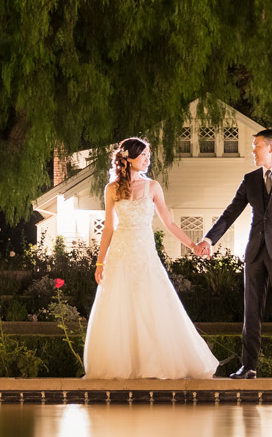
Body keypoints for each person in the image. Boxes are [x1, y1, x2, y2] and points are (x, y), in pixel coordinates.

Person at [83, 137, 221, 379]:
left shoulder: (153, 187)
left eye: (149, 155)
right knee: (119, 306)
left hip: (145, 253)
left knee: (152, 303)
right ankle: (121, 365)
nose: (148, 159)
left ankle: (154, 364)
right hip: (120, 253)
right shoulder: (112, 189)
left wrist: (192, 245)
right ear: (129, 158)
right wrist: (100, 261)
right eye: (144, 155)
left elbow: (168, 223)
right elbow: (108, 227)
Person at [195, 128, 272, 379]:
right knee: (251, 312)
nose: (252, 150)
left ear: (271, 147)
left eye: (256, 145)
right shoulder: (249, 180)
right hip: (255, 253)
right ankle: (249, 367)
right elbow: (230, 213)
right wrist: (209, 239)